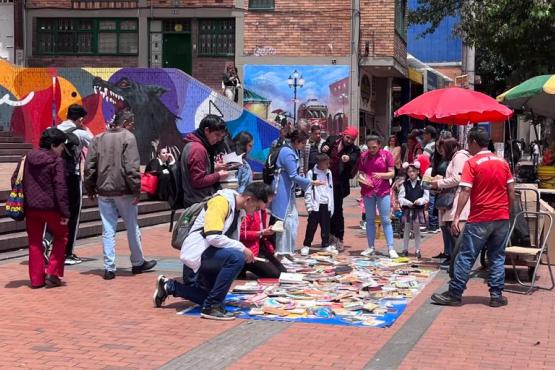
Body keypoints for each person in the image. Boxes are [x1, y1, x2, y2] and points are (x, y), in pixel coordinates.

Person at [153, 183, 273, 320]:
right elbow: (213, 236)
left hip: (214, 254)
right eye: (257, 207)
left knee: (212, 296)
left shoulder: (240, 211)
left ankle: (170, 286)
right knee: (236, 258)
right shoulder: (221, 202)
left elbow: (229, 239)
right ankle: (211, 307)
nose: (255, 211)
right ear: (249, 199)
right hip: (200, 251)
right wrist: (242, 248)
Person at [431, 127, 515, 307]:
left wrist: (456, 217)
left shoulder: (472, 163)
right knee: (497, 256)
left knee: (466, 256)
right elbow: (511, 190)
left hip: (480, 218)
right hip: (501, 217)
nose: (468, 146)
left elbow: (465, 190)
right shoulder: (502, 162)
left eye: (469, 142)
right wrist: (510, 211)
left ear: (475, 142)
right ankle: (496, 295)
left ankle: (454, 293)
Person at [84, 111, 157, 280]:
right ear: (126, 122)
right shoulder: (128, 138)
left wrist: (90, 188)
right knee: (132, 226)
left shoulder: (98, 138)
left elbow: (89, 166)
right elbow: (131, 167)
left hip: (103, 189)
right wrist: (136, 189)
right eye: (132, 123)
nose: (133, 126)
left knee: (108, 228)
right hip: (124, 190)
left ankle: (109, 267)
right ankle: (137, 262)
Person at [14, 128, 69, 288]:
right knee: (61, 237)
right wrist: (65, 211)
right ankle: (53, 272)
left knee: (34, 242)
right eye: (61, 146)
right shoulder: (57, 161)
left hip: (31, 208)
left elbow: (15, 179)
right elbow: (60, 187)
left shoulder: (28, 157)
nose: (62, 150)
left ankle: (36, 280)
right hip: (51, 208)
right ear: (53, 145)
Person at [270, 130, 324, 256]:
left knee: (291, 220)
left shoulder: (290, 150)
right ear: (296, 142)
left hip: (287, 189)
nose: (304, 145)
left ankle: (288, 250)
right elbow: (293, 175)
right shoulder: (288, 152)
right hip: (283, 190)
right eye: (303, 142)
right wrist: (311, 182)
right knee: (285, 221)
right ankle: (282, 251)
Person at [54, 104, 92, 265]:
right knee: (73, 215)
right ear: (80, 119)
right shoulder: (81, 133)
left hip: (54, 177)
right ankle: (67, 253)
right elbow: (95, 143)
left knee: (55, 212)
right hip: (72, 177)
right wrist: (85, 128)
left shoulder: (53, 130)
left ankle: (52, 246)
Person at [431, 137, 471, 270]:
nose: (442, 153)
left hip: (456, 199)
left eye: (443, 150)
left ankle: (458, 266)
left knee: (455, 232)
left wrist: (439, 183)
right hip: (452, 198)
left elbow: (457, 178)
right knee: (451, 230)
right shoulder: (456, 157)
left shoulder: (459, 158)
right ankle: (455, 263)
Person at [321, 127, 361, 251]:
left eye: (352, 139)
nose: (349, 141)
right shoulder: (332, 139)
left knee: (337, 211)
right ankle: (328, 237)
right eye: (348, 137)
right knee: (326, 210)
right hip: (325, 182)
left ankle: (339, 237)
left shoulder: (354, 149)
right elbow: (324, 146)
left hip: (339, 184)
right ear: (344, 135)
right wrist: (324, 147)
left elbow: (355, 158)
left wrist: (348, 159)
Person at [357, 135, 397, 258]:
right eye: (369, 147)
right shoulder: (364, 156)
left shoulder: (386, 155)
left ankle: (391, 247)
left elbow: (392, 173)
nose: (371, 150)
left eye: (374, 147)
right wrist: (363, 180)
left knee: (385, 219)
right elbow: (361, 173)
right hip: (368, 190)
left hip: (382, 190)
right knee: (369, 219)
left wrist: (381, 175)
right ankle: (370, 246)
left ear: (379, 145)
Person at [181, 115, 229, 209]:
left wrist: (212, 167)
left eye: (221, 136)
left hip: (195, 200)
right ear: (207, 130)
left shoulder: (193, 145)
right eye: (217, 135)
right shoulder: (198, 149)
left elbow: (195, 172)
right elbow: (198, 181)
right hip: (198, 202)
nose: (219, 139)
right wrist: (218, 175)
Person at [239, 196, 286, 279]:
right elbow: (241, 233)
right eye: (266, 202)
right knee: (274, 275)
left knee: (283, 272)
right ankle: (244, 266)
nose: (268, 205)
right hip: (250, 249)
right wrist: (261, 233)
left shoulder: (263, 211)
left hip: (260, 246)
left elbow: (261, 230)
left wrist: (268, 230)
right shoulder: (249, 212)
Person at [302, 153, 335, 256]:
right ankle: (307, 245)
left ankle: (325, 245)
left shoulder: (329, 173)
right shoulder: (312, 173)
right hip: (315, 204)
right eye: (326, 163)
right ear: (320, 163)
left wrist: (331, 205)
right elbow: (307, 189)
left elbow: (331, 188)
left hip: (326, 203)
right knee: (312, 226)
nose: (328, 165)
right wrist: (309, 205)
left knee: (326, 226)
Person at [398, 161, 429, 258]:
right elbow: (400, 197)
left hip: (418, 209)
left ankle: (417, 249)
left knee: (417, 229)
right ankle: (405, 249)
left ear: (417, 172)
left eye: (413, 171)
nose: (411, 173)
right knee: (406, 229)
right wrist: (407, 202)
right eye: (409, 171)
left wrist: (420, 201)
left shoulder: (423, 183)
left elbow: (426, 197)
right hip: (407, 209)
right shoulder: (405, 184)